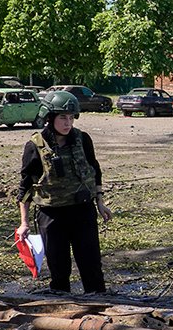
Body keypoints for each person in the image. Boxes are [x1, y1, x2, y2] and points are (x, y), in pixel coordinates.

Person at [16, 90, 112, 293]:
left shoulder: (82, 139)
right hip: (52, 215)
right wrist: (24, 223)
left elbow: (94, 170)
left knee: (92, 266)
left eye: (71, 118)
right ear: (50, 118)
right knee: (59, 269)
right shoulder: (35, 146)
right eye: (62, 118)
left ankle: (100, 305)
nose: (68, 123)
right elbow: (25, 186)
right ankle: (62, 307)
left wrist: (100, 202)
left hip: (82, 210)